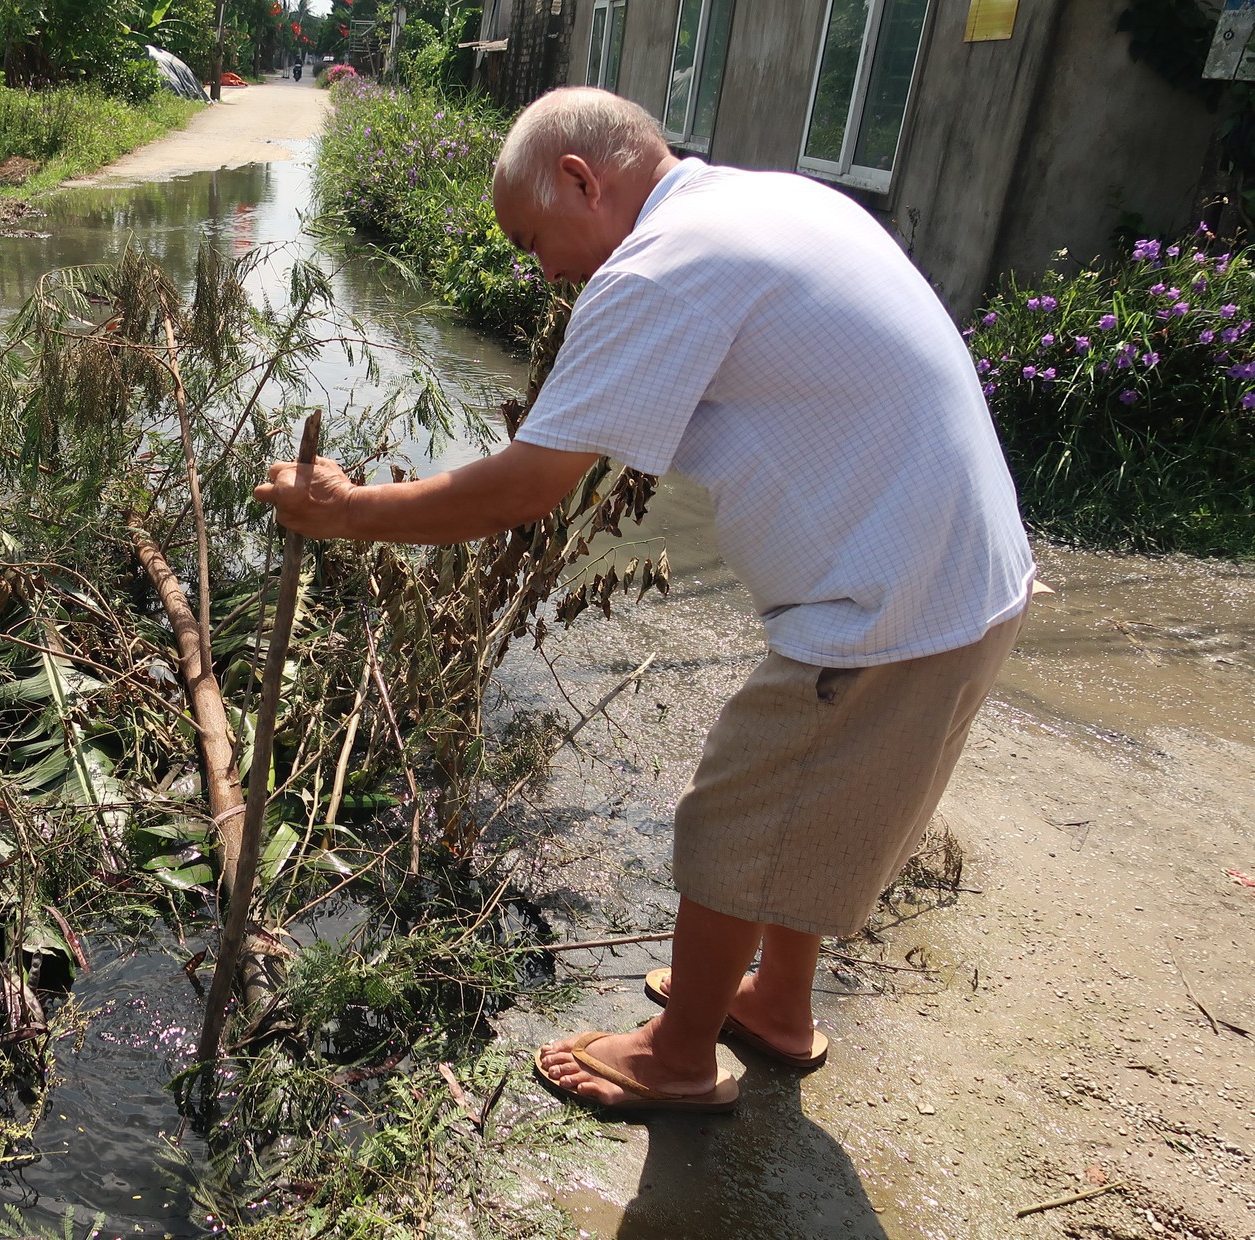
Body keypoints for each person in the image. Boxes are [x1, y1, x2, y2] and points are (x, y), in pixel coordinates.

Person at [252, 86, 1034, 1113]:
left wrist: (346, 511)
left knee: (736, 811)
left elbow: (527, 489)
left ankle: (675, 1056)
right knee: (807, 795)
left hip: (890, 599)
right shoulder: (766, 203)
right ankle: (779, 1005)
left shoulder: (660, 267)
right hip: (961, 573)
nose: (544, 270)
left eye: (535, 237)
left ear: (582, 178)